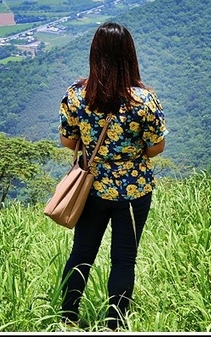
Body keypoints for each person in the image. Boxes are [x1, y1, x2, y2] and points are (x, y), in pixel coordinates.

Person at [57, 21, 167, 330]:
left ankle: (67, 318)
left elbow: (67, 141)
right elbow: (156, 147)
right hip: (132, 193)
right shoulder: (144, 101)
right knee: (123, 259)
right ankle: (114, 324)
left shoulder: (76, 96)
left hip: (89, 189)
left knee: (81, 254)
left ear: (95, 55)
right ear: (129, 55)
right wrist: (128, 155)